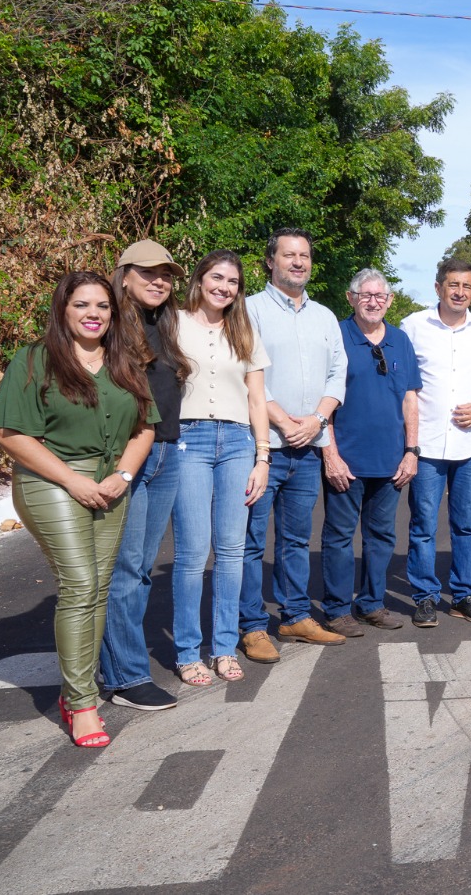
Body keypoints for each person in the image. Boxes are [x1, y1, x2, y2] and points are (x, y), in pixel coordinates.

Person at [0, 271, 158, 747]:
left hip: (111, 481)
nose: (93, 314)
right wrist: (72, 480)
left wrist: (122, 476)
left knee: (98, 588)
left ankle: (77, 691)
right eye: (82, 305)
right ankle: (83, 701)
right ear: (63, 309)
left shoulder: (126, 361)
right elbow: (8, 434)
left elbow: (145, 428)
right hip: (51, 479)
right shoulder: (33, 359)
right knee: (80, 582)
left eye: (102, 307)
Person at [241, 228, 348, 659]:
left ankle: (295, 617)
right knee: (249, 541)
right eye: (289, 255)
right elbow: (247, 375)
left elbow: (337, 372)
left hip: (307, 448)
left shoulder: (324, 316)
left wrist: (319, 419)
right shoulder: (249, 311)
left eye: (304, 255)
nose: (298, 262)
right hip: (264, 446)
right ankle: (251, 626)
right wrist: (284, 421)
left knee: (296, 539)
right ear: (271, 261)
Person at [170, 251, 271, 686]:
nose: (224, 287)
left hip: (236, 442)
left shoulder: (244, 329)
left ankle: (225, 647)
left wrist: (262, 457)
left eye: (232, 282)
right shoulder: (172, 322)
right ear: (200, 279)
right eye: (217, 278)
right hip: (187, 440)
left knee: (231, 552)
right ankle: (188, 651)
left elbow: (256, 399)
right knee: (192, 554)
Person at [96, 240, 191, 704]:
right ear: (124, 275)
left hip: (167, 452)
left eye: (167, 275)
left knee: (139, 570)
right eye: (148, 272)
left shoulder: (163, 324)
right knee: (126, 570)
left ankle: (115, 667)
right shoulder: (109, 325)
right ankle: (125, 678)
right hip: (129, 456)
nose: (159, 281)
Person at [318, 269, 419, 636]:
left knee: (382, 537)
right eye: (365, 295)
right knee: (340, 537)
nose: (373, 301)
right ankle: (337, 609)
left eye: (380, 296)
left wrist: (411, 451)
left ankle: (372, 604)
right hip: (347, 459)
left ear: (389, 300)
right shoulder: (337, 336)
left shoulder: (401, 341)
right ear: (351, 298)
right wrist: (330, 454)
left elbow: (410, 399)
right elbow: (323, 401)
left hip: (391, 461)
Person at [402, 257, 471, 627]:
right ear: (438, 287)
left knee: (467, 523)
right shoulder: (412, 326)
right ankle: (424, 596)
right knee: (423, 523)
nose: (459, 292)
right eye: (453, 285)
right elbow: (403, 384)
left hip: (469, 442)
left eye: (466, 286)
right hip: (426, 442)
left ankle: (464, 594)